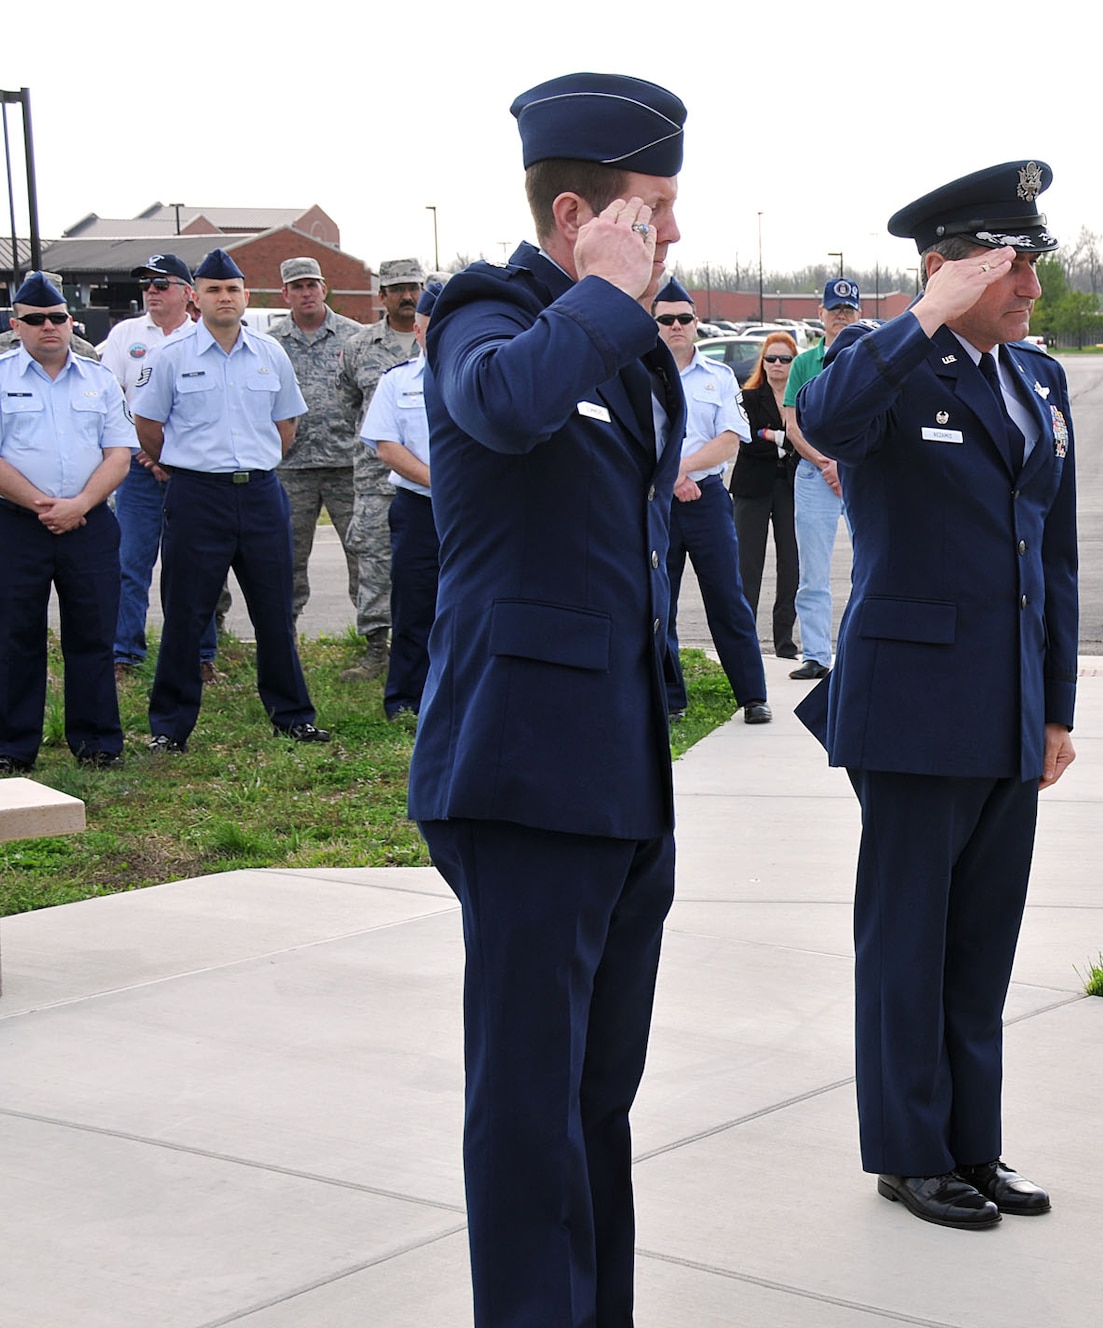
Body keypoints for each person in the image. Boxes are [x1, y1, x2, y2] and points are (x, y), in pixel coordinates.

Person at [412, 71, 686, 1327]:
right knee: (527, 1103)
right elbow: (503, 409)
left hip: (618, 766)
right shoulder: (486, 311)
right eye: (653, 211)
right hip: (520, 767)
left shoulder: (616, 339)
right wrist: (597, 294)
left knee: (594, 1098)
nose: (671, 235)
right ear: (578, 214)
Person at [795, 160, 1079, 1230]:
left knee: (979, 940)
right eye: (1009, 266)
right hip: (913, 704)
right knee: (907, 939)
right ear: (947, 267)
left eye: (1030, 264)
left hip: (1005, 704)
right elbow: (825, 414)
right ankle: (909, 1150)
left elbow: (1054, 555)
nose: (1028, 288)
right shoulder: (887, 363)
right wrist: (922, 316)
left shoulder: (1036, 380)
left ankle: (972, 1141)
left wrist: (1055, 706)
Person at [131, 249, 329, 753]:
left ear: (246, 297)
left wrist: (256, 462)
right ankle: (170, 728)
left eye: (233, 290)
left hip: (261, 494)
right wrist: (184, 467)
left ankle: (293, 716)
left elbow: (286, 426)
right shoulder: (170, 357)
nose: (225, 298)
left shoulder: (270, 354)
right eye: (214, 289)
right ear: (196, 297)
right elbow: (149, 427)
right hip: (197, 496)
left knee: (274, 610)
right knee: (185, 613)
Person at [0, 272, 133, 773]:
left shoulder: (99, 380)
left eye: (57, 318)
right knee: (14, 636)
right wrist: (41, 503)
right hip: (15, 524)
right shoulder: (1, 376)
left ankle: (97, 741)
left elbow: (119, 454)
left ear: (70, 322)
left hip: (90, 524)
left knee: (94, 634)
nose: (48, 327)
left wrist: (79, 504)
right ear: (17, 325)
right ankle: (12, 748)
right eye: (35, 320)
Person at [100, 253, 228, 684]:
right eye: (146, 285)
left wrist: (171, 457)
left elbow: (210, 409)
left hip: (190, 471)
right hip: (138, 468)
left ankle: (201, 654)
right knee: (130, 560)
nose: (152, 292)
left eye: (162, 284)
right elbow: (112, 398)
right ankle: (124, 653)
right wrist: (145, 452)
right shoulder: (126, 335)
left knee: (195, 564)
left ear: (187, 293)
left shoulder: (205, 336)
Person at [654, 277, 770, 724]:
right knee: (660, 602)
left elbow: (729, 442)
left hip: (706, 499)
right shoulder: (639, 375)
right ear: (654, 324)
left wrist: (679, 472)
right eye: (666, 319)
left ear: (697, 323)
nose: (676, 326)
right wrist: (669, 480)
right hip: (658, 503)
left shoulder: (720, 378)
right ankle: (669, 700)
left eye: (684, 318)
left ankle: (752, 696)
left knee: (728, 597)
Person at [268, 256, 386, 665]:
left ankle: (376, 645)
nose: (305, 293)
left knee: (365, 554)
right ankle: (284, 646)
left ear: (324, 288)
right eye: (297, 287)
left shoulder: (356, 338)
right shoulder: (270, 342)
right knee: (286, 558)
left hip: (346, 467)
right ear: (285, 294)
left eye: (311, 285)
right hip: (290, 468)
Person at [335, 257, 429, 681]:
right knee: (373, 562)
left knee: (429, 574)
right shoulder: (358, 347)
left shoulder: (441, 339)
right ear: (383, 296)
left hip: (432, 486)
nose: (407, 296)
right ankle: (376, 648)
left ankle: (429, 653)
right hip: (377, 483)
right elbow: (349, 406)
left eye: (414, 287)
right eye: (398, 289)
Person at [358, 279, 441, 720]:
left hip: (476, 511)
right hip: (419, 507)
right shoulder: (398, 382)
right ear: (417, 330)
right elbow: (386, 446)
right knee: (413, 604)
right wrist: (439, 483)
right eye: (430, 323)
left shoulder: (481, 376)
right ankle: (406, 698)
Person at [781, 277, 863, 680]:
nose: (841, 317)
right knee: (813, 572)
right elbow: (792, 425)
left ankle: (861, 653)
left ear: (859, 314)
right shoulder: (802, 363)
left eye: (848, 311)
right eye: (835, 311)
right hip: (816, 477)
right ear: (821, 315)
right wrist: (827, 463)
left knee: (870, 567)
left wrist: (844, 464)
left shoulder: (870, 357)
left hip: (861, 476)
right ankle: (816, 654)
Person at [729, 330, 800, 659]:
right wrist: (784, 440)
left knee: (791, 564)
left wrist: (773, 436)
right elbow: (748, 440)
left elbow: (806, 440)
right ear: (762, 362)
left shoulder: (802, 397)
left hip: (788, 488)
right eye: (770, 358)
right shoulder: (748, 397)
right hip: (752, 488)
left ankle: (784, 640)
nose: (777, 364)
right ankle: (744, 641)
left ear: (794, 362)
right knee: (748, 565)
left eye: (784, 359)